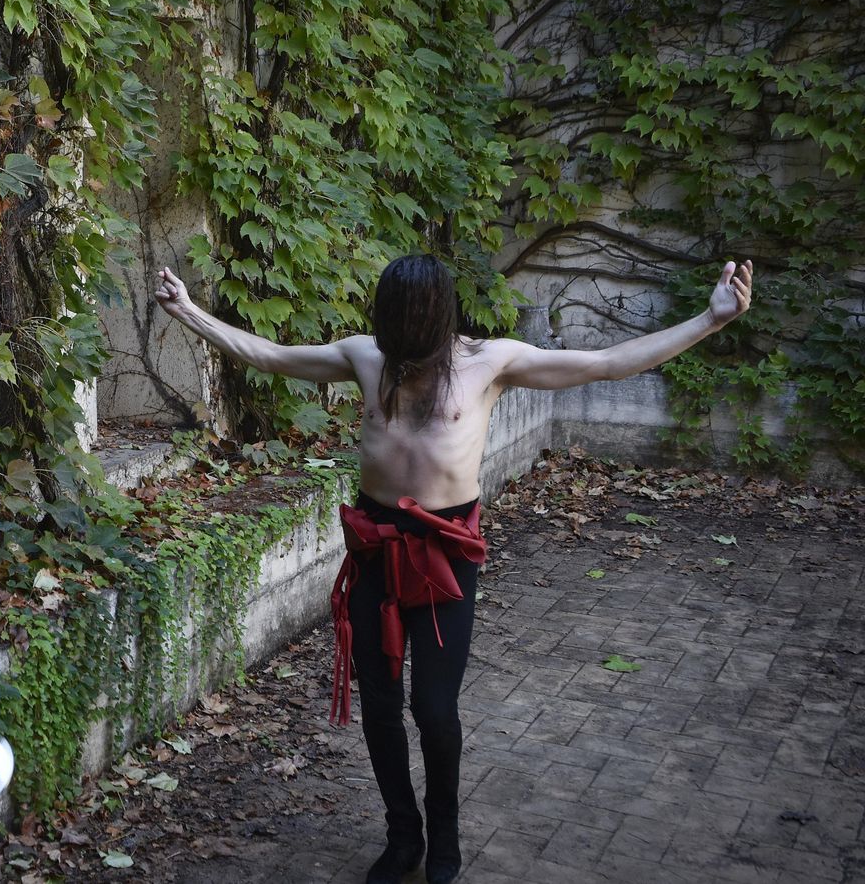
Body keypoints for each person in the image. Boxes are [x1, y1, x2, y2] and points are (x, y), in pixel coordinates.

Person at [156, 253, 753, 884]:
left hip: (444, 558)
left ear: (438, 317)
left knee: (434, 709)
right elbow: (271, 355)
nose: (405, 334)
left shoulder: (489, 363)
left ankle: (445, 840)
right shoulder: (367, 358)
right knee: (381, 707)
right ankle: (403, 837)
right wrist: (189, 310)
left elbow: (605, 364)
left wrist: (709, 322)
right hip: (375, 552)